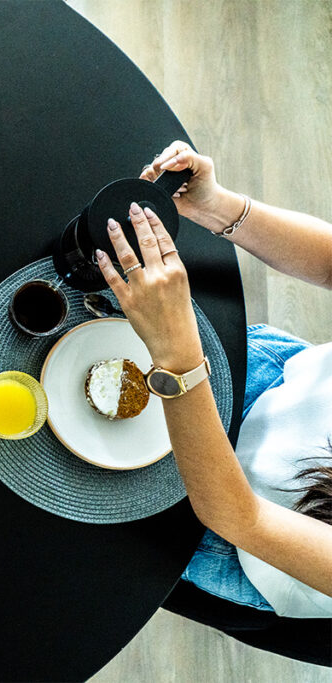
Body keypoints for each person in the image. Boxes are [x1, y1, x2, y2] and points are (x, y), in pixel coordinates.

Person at [95, 140, 332, 617]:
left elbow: (238, 516)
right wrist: (220, 205)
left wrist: (177, 351)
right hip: (274, 379)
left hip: (234, 527)